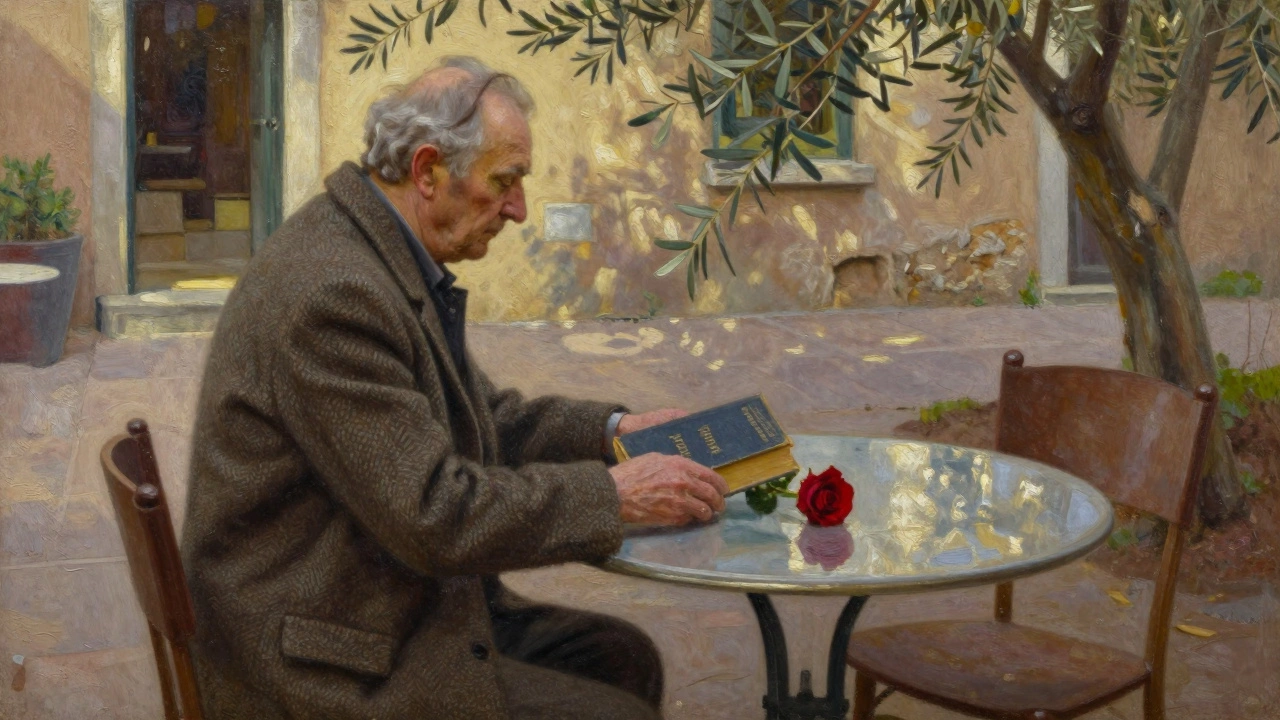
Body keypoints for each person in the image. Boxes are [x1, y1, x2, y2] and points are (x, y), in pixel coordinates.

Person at [180, 56, 729, 720]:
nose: (520, 210)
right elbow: (435, 515)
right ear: (428, 171)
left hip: (366, 604)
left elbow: (485, 417)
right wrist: (615, 497)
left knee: (621, 655)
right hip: (319, 655)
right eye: (504, 181)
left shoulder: (379, 252)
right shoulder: (335, 294)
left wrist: (615, 434)